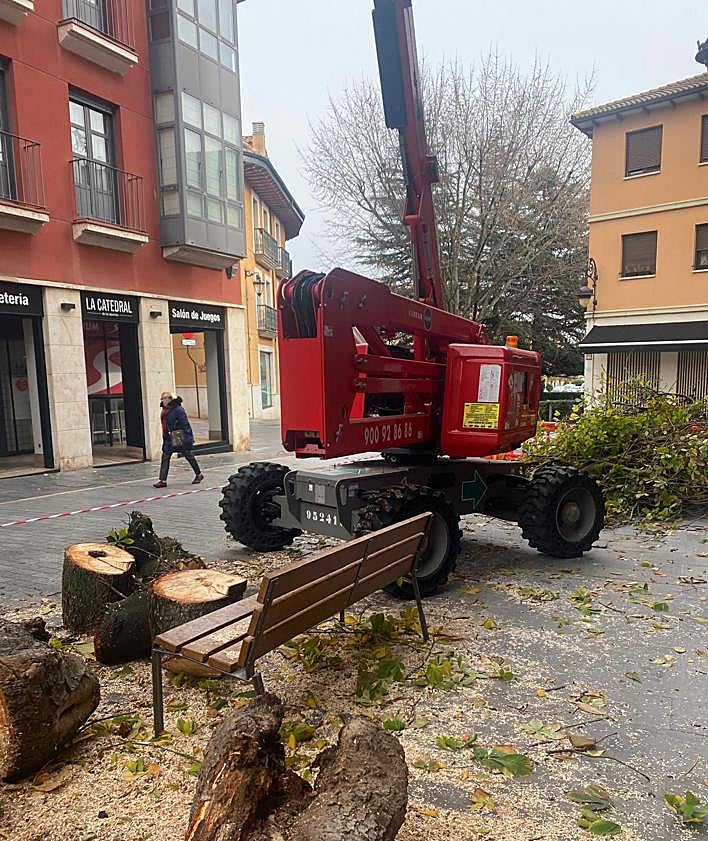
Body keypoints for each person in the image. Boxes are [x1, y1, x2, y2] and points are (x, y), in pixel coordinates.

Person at [153, 391, 204, 488]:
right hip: (168, 436)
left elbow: (185, 423)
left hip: (178, 435)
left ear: (170, 399)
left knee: (187, 454)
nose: (162, 400)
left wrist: (188, 437)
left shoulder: (178, 409)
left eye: (164, 398)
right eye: (162, 399)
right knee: (166, 456)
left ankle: (199, 474)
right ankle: (162, 480)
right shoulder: (164, 409)